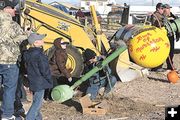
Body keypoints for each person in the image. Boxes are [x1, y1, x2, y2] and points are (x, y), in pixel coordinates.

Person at [0, 1, 27, 119]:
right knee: (9, 89)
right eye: (12, 8)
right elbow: (23, 40)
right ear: (5, 9)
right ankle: (6, 115)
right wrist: (27, 34)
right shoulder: (13, 25)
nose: (14, 10)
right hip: (9, 61)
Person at [23, 33, 53, 120]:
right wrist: (49, 79)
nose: (43, 40)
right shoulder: (39, 55)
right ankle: (29, 118)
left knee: (37, 101)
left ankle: (38, 118)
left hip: (32, 80)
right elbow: (44, 70)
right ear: (35, 43)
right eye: (41, 39)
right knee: (37, 103)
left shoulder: (27, 53)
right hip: (40, 81)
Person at [163, 4, 179, 70]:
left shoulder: (173, 16)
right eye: (167, 8)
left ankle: (170, 66)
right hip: (164, 37)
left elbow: (178, 24)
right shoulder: (162, 17)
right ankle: (158, 66)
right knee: (163, 52)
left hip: (171, 36)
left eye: (169, 8)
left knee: (171, 52)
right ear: (164, 9)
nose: (169, 10)